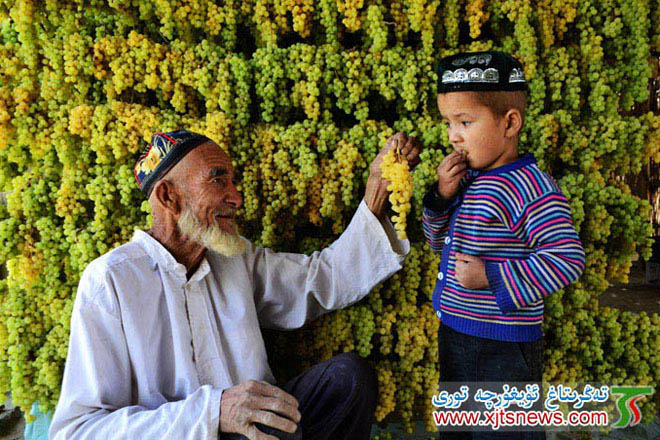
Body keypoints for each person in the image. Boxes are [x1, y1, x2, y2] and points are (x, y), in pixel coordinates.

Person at [49, 129, 422, 440]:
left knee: (348, 379)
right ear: (168, 196)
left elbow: (321, 279)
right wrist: (212, 413)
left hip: (261, 431)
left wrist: (376, 194)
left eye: (233, 181)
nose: (237, 197)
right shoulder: (111, 281)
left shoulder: (233, 259)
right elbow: (79, 431)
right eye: (218, 179)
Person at [422, 51, 585, 439]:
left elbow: (567, 258)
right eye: (448, 123)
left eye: (465, 122)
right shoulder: (466, 180)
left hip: (504, 348)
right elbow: (434, 242)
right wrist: (440, 197)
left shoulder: (531, 188)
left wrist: (490, 275)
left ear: (509, 123)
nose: (453, 136)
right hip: (456, 334)